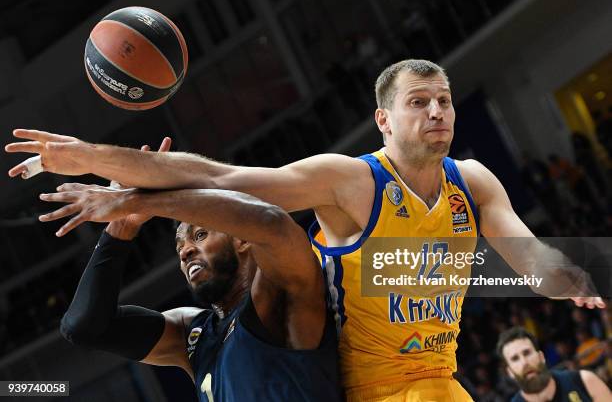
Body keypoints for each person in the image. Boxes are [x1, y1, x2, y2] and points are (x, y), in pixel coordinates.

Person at [7, 59, 604, 401]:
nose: (438, 112)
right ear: (382, 119)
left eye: (444, 100)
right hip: (367, 389)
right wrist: (92, 156)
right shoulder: (347, 181)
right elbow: (223, 177)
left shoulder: (472, 181)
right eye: (419, 102)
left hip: (442, 381)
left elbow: (530, 257)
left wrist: (571, 276)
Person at [45, 159, 341, 401]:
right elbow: (83, 327)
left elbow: (273, 225)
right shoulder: (192, 334)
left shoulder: (278, 292)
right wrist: (121, 227)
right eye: (179, 248)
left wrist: (144, 198)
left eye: (200, 235)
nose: (186, 251)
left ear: (242, 240)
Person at [497, 326, 611, 402]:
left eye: (527, 353)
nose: (524, 362)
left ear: (541, 357)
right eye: (515, 359)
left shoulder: (585, 381)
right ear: (509, 372)